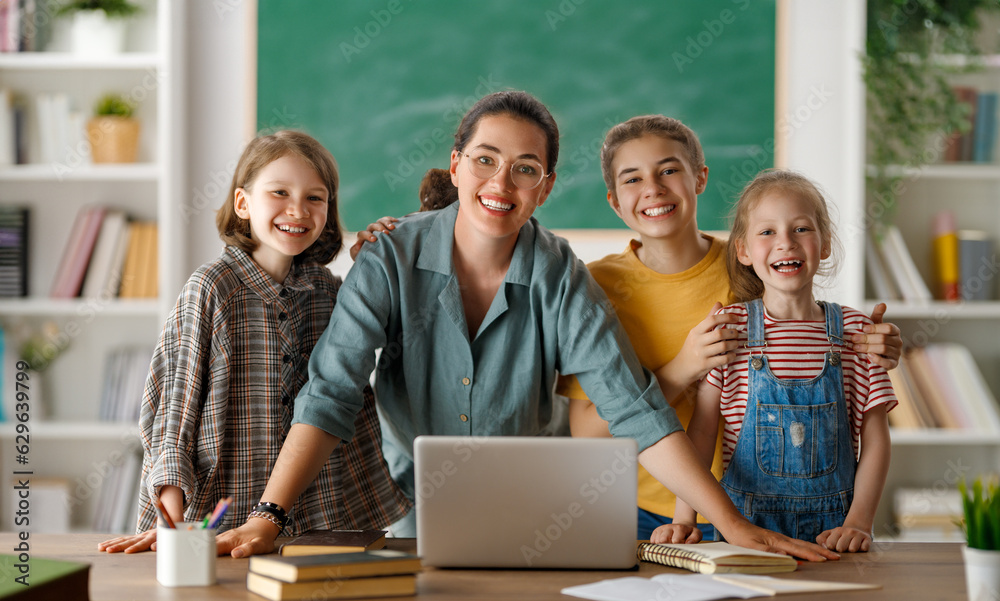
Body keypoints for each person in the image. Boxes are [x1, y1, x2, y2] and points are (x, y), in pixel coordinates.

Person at [216, 91, 840, 561]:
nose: (501, 182)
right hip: (406, 509)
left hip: (538, 515)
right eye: (485, 160)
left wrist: (729, 524)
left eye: (524, 168)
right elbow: (331, 389)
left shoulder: (560, 272)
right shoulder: (389, 257)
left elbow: (634, 407)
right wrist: (268, 516)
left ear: (544, 188)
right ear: (457, 166)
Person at [556, 116, 902, 542]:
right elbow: (587, 433)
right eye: (633, 178)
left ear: (700, 177)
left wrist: (881, 345)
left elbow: (816, 332)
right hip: (640, 510)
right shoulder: (595, 288)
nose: (653, 188)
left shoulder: (756, 264)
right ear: (614, 201)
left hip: (751, 513)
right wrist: (683, 367)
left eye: (669, 170)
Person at [98, 130, 409, 554]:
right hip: (220, 522)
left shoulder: (331, 292)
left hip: (322, 519)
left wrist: (378, 255)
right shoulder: (211, 289)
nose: (297, 210)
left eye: (315, 198)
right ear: (243, 203)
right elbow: (173, 415)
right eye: (279, 192)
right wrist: (173, 523)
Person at [662, 169, 896, 552]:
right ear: (743, 250)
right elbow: (702, 433)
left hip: (835, 535)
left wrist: (860, 523)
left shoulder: (857, 332)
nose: (786, 243)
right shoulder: (730, 331)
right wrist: (684, 519)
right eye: (767, 232)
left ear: (824, 244)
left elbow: (876, 439)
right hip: (746, 534)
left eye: (801, 229)